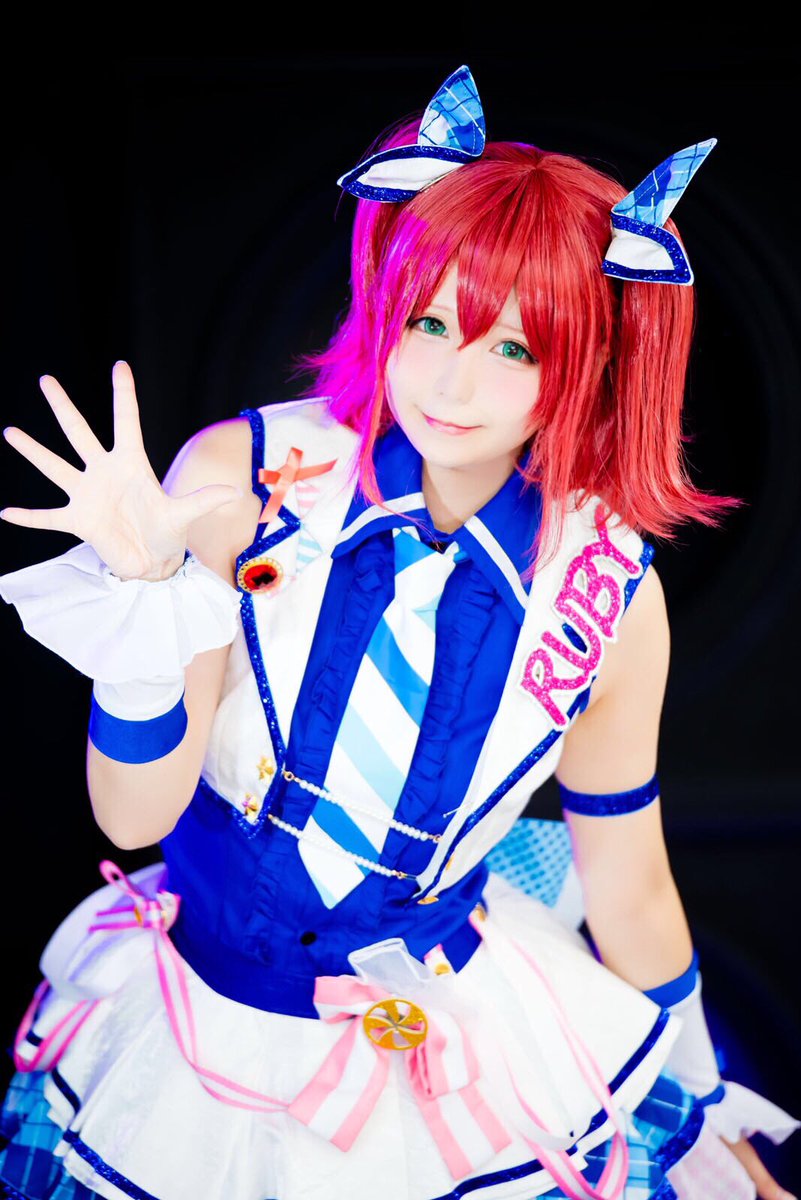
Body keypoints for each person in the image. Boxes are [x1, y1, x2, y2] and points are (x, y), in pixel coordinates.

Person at [0, 63, 798, 1200]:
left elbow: (628, 886)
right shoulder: (243, 479)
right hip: (194, 1029)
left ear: (589, 363)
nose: (451, 383)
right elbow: (133, 817)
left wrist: (708, 1111)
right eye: (429, 321)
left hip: (467, 1038)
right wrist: (145, 592)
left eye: (514, 348)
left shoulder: (608, 590)